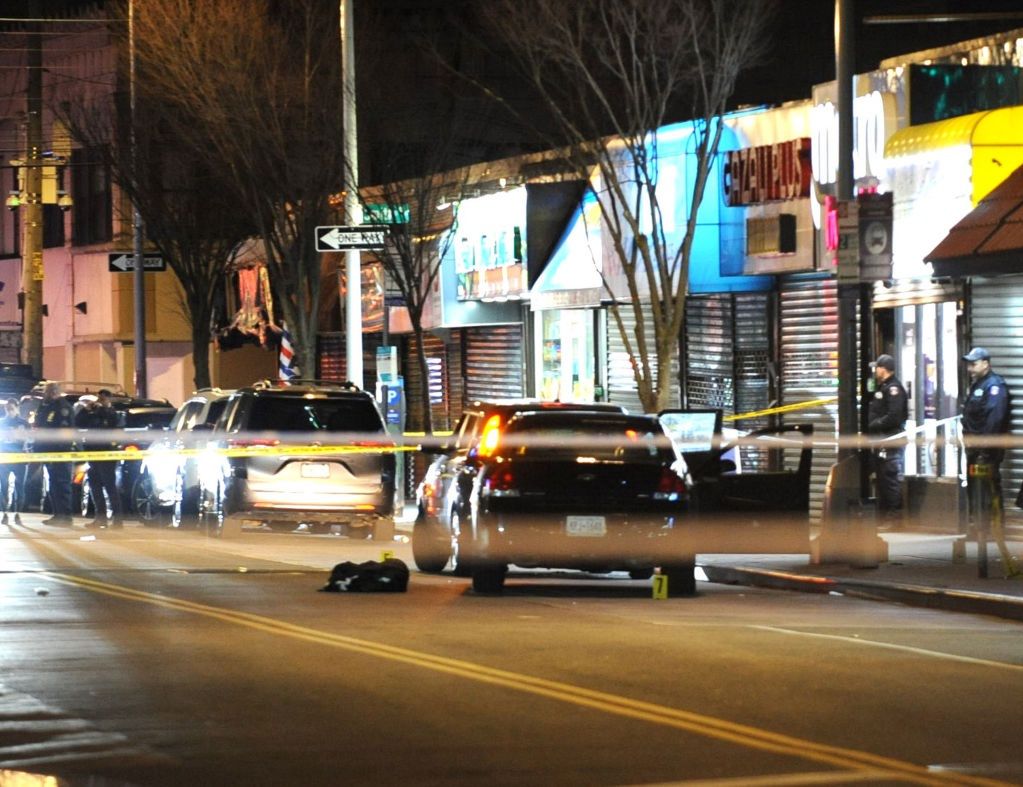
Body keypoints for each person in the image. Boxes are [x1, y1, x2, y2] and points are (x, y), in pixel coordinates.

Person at [961, 347, 1011, 511]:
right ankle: (979, 529)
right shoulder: (979, 385)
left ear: (985, 364)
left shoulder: (995, 386)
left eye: (973, 364)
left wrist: (985, 451)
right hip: (974, 450)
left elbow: (994, 420)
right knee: (976, 487)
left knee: (987, 489)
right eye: (968, 364)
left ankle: (994, 532)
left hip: (985, 452)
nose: (970, 368)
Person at [866, 354, 908, 526]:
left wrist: (875, 424)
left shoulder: (893, 389)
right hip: (882, 440)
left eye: (877, 367)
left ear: (883, 368)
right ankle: (886, 516)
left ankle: (895, 518)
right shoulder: (883, 387)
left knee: (890, 478)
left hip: (891, 440)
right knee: (883, 479)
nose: (875, 370)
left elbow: (894, 416)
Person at [75, 389, 124, 529]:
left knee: (110, 487)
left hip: (107, 455)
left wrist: (102, 409)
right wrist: (86, 409)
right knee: (95, 487)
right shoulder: (93, 413)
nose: (100, 401)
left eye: (103, 398)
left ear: (109, 400)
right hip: (92, 454)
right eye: (99, 398)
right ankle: (100, 518)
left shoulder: (113, 414)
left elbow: (112, 422)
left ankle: (117, 520)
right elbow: (78, 422)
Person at [34, 382, 76, 526]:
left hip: (60, 452)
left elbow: (63, 432)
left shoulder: (62, 407)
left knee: (62, 484)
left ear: (53, 392)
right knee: (54, 485)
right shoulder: (47, 406)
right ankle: (58, 515)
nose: (44, 395)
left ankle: (66, 516)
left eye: (46, 392)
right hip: (49, 452)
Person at [0, 398, 28, 525]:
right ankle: (5, 513)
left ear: (17, 408)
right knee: (4, 486)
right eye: (7, 409)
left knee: (20, 486)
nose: (9, 411)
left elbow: (30, 440)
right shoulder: (2, 422)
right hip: (5, 459)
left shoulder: (23, 423)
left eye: (11, 409)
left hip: (19, 459)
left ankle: (18, 514)